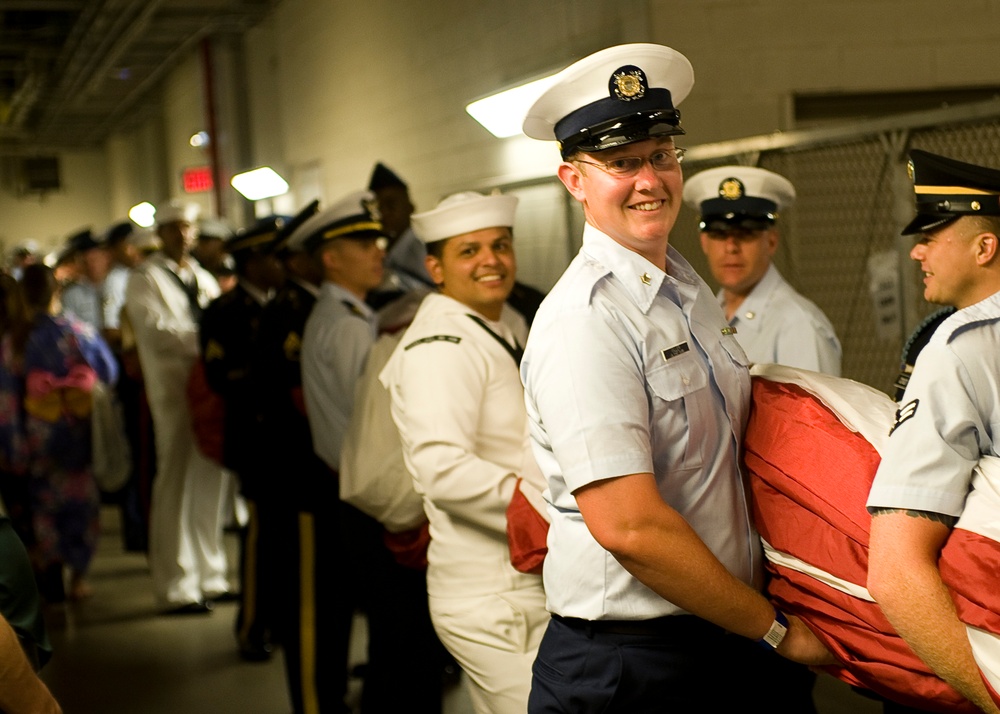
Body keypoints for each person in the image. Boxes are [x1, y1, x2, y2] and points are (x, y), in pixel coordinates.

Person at [518, 43, 832, 712]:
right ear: (574, 180)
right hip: (631, 663)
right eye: (621, 163)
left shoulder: (684, 288)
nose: (649, 180)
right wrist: (773, 631)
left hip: (719, 632)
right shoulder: (587, 320)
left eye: (660, 156)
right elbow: (630, 527)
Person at [380, 190, 549, 713]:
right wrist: (545, 513)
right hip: (492, 592)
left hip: (522, 579)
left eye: (499, 245)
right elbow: (441, 469)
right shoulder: (440, 347)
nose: (490, 261)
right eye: (468, 251)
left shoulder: (502, 325)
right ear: (435, 268)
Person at [867, 150, 1000, 714]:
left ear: (984, 247)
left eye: (932, 235)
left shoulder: (955, 348)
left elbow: (895, 569)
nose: (916, 251)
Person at [300, 190, 442, 714]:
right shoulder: (345, 327)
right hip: (370, 501)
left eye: (378, 240)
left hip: (357, 496)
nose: (378, 250)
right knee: (400, 634)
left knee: (395, 635)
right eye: (363, 243)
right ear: (331, 258)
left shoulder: (350, 317)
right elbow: (382, 422)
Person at [125, 200, 232, 614]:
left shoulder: (201, 277)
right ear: (161, 234)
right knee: (176, 478)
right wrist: (205, 338)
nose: (181, 235)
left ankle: (211, 573)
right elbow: (156, 333)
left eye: (186, 228)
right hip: (171, 392)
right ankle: (176, 581)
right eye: (172, 229)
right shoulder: (144, 279)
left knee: (210, 476)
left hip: (205, 389)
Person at [199, 215, 285, 661]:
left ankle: (280, 619)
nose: (282, 263)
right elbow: (221, 376)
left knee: (283, 537)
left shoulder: (281, 306)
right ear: (252, 263)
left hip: (285, 441)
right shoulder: (225, 313)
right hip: (255, 440)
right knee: (260, 540)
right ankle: (252, 626)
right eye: (274, 255)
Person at [683, 164, 843, 374]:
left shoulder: (798, 327)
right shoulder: (705, 315)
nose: (731, 247)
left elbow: (811, 408)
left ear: (771, 241)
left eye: (746, 233)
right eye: (719, 233)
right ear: (704, 242)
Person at [20, 263, 118, 603]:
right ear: (56, 291)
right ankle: (78, 577)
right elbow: (107, 370)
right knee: (81, 501)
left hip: (35, 431)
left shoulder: (18, 336)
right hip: (76, 428)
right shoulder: (78, 331)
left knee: (44, 504)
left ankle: (52, 572)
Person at [368, 162, 435, 296]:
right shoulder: (384, 252)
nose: (384, 213)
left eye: (391, 205)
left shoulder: (421, 251)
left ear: (410, 207)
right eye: (378, 208)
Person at [59, 228, 110, 332]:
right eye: (85, 262)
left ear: (105, 258)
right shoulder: (72, 295)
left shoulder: (117, 285)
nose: (91, 266)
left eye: (94, 259)